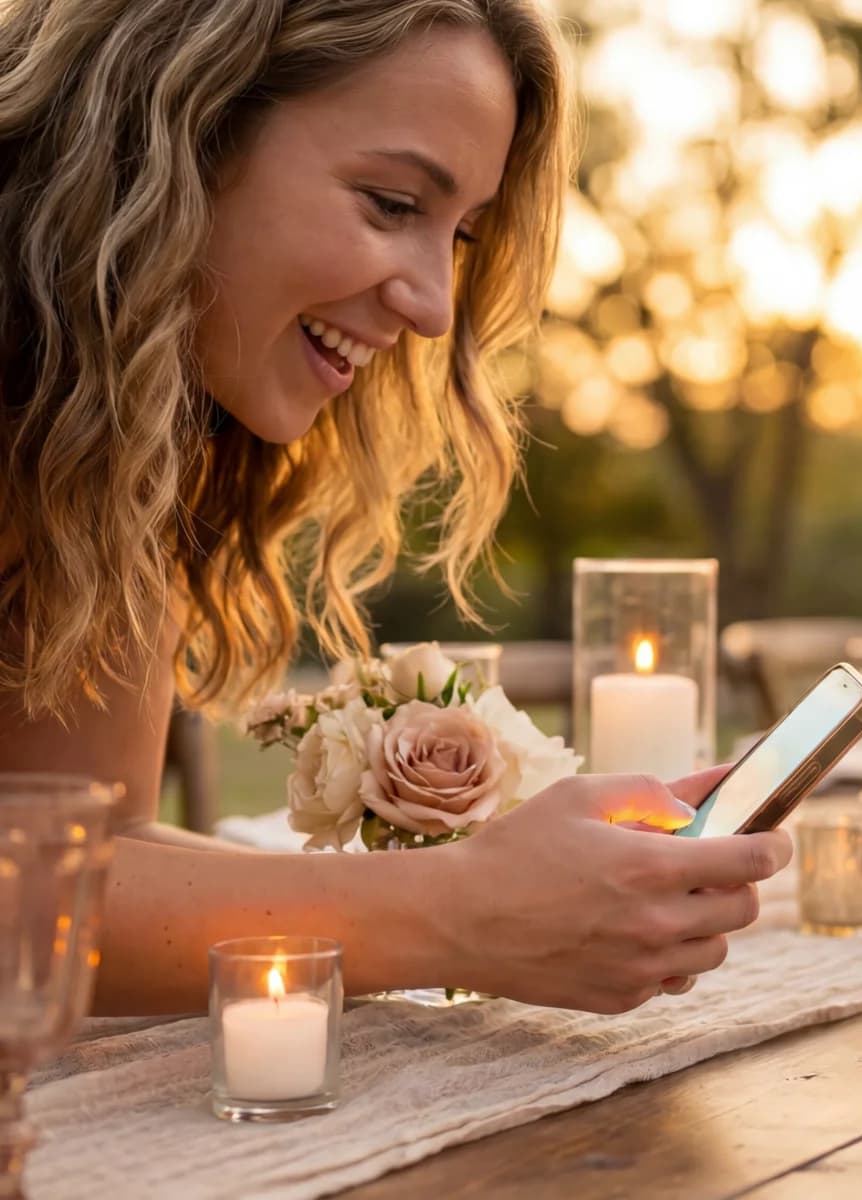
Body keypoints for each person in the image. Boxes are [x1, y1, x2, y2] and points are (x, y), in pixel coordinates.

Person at [0, 0, 791, 1015]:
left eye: (459, 236)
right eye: (389, 202)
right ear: (179, 129)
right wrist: (453, 911)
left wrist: (487, 897)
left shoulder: (112, 435)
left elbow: (75, 862)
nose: (432, 307)